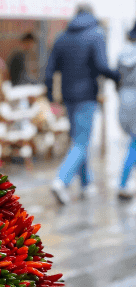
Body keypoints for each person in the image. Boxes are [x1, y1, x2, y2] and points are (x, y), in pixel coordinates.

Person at [45, 4, 120, 204]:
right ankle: (61, 181)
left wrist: (51, 95)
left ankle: (86, 185)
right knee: (81, 141)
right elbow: (103, 66)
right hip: (87, 96)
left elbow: (49, 69)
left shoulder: (62, 37)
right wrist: (119, 77)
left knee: (79, 138)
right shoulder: (96, 34)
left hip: (68, 98)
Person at [117, 23, 136, 200]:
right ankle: (123, 183)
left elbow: (117, 77)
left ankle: (124, 182)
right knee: (134, 144)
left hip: (125, 97)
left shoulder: (124, 52)